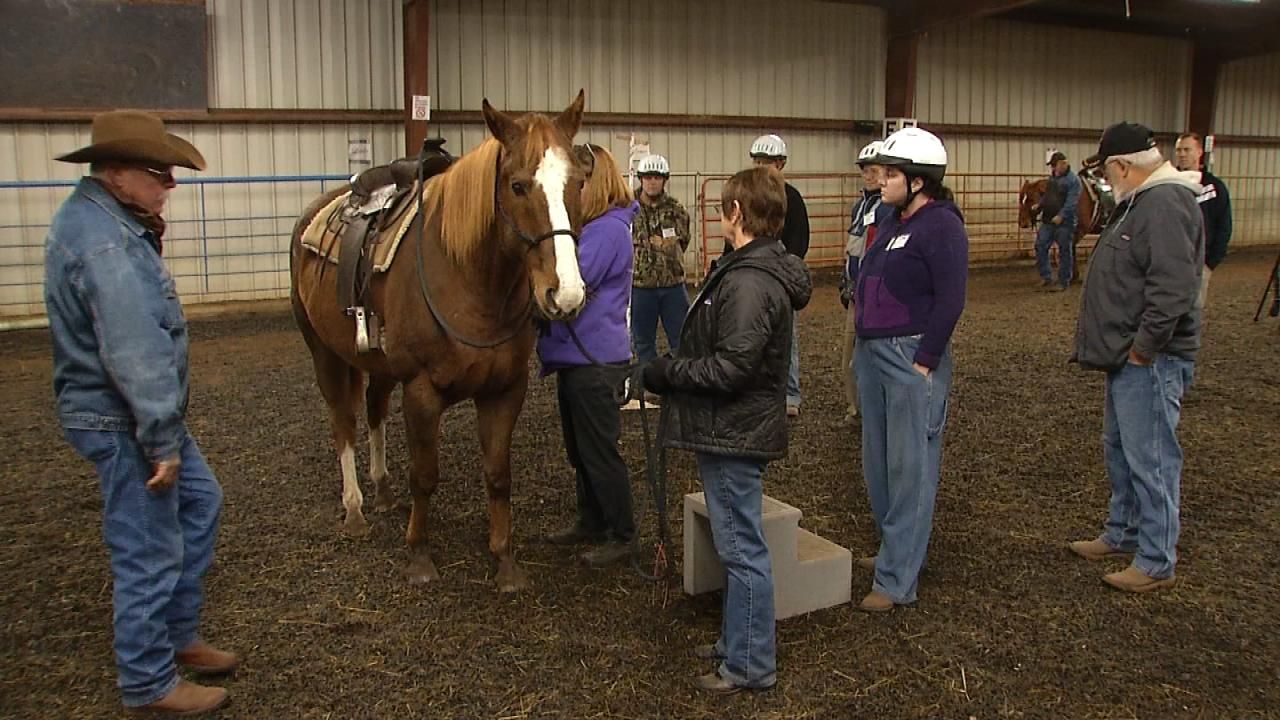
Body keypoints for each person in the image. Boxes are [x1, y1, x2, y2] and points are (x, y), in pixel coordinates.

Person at [43, 110, 237, 714]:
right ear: (119, 172)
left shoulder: (110, 222)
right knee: (146, 544)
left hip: (132, 413)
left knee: (201, 503)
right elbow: (135, 348)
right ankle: (148, 680)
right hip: (124, 417)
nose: (171, 185)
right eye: (161, 173)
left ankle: (176, 635)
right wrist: (161, 440)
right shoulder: (106, 244)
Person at [642, 166, 811, 694]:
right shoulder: (750, 272)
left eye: (722, 207)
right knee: (737, 545)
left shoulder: (749, 282)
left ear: (736, 213)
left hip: (734, 431)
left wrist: (666, 372)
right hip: (730, 429)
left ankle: (750, 665)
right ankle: (734, 645)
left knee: (742, 550)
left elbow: (731, 368)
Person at [1069, 122, 1203, 593]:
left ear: (1123, 166)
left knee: (1152, 457)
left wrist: (1145, 349)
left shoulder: (1164, 204)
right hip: (1125, 355)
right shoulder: (1142, 204)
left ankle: (1155, 558)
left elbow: (1173, 288)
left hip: (1148, 358)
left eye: (1109, 170)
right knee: (1122, 448)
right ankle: (1122, 531)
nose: (1107, 179)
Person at [853, 127, 968, 612]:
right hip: (874, 353)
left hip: (907, 355)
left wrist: (926, 360)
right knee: (878, 464)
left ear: (919, 182)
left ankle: (899, 578)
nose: (882, 180)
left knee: (909, 469)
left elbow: (951, 297)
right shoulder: (895, 221)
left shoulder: (941, 226)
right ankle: (893, 552)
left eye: (893, 174)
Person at [538, 144, 638, 568]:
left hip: (594, 358)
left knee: (600, 451)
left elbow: (569, 284)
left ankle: (623, 532)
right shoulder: (598, 229)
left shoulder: (606, 232)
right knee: (581, 449)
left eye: (576, 184)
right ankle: (592, 518)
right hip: (577, 356)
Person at [749, 134, 810, 417]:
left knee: (786, 337)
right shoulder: (748, 196)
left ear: (781, 164)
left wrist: (785, 270)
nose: (762, 167)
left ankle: (790, 393)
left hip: (781, 277)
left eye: (768, 162)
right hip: (751, 277)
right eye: (758, 161)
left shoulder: (792, 199)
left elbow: (800, 241)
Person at [840, 140, 892, 423]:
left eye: (874, 170)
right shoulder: (859, 207)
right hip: (856, 295)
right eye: (866, 171)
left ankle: (875, 410)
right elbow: (852, 248)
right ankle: (857, 408)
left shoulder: (889, 209)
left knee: (874, 356)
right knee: (851, 358)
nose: (869, 176)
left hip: (876, 297)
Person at [630, 153, 691, 373]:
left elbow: (683, 240)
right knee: (642, 341)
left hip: (672, 286)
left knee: (681, 338)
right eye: (647, 177)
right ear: (641, 179)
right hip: (640, 287)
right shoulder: (627, 208)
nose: (652, 181)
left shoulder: (677, 210)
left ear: (665, 180)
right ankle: (648, 383)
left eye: (657, 177)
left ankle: (682, 379)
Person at [1175, 132, 1233, 308]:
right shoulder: (1168, 184)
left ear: (1199, 152)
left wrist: (1210, 262)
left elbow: (1224, 226)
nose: (1182, 154)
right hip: (1170, 261)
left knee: (1192, 312)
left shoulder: (1214, 187)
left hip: (1200, 262)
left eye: (1187, 149)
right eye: (1179, 150)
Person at [1035, 151, 1082, 290]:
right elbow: (1048, 196)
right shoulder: (1053, 179)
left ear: (1062, 164)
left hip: (1064, 223)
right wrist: (1040, 204)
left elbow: (1072, 202)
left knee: (1064, 251)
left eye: (1054, 166)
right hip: (1049, 219)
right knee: (1040, 246)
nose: (1053, 169)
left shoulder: (1073, 181)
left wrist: (1061, 215)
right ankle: (1046, 276)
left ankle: (1063, 281)